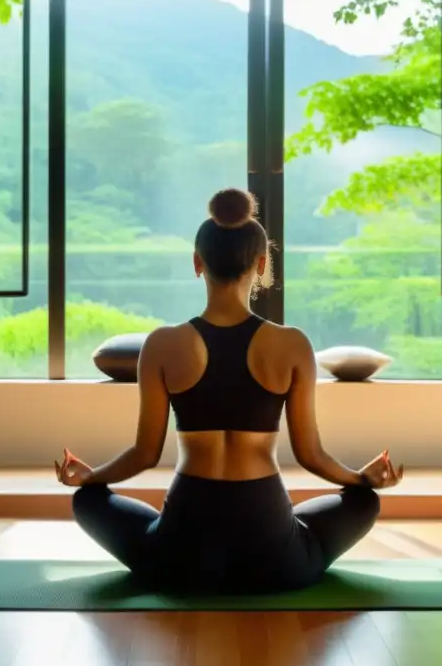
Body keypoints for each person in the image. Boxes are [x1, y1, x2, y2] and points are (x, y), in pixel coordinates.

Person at [55, 188, 403, 595]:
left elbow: (144, 455)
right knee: (364, 503)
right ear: (260, 264)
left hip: (180, 557)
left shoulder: (161, 345)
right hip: (275, 560)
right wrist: (361, 480)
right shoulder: (292, 344)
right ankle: (290, 541)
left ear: (197, 263)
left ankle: (172, 551)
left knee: (88, 502)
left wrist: (91, 478)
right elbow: (312, 456)